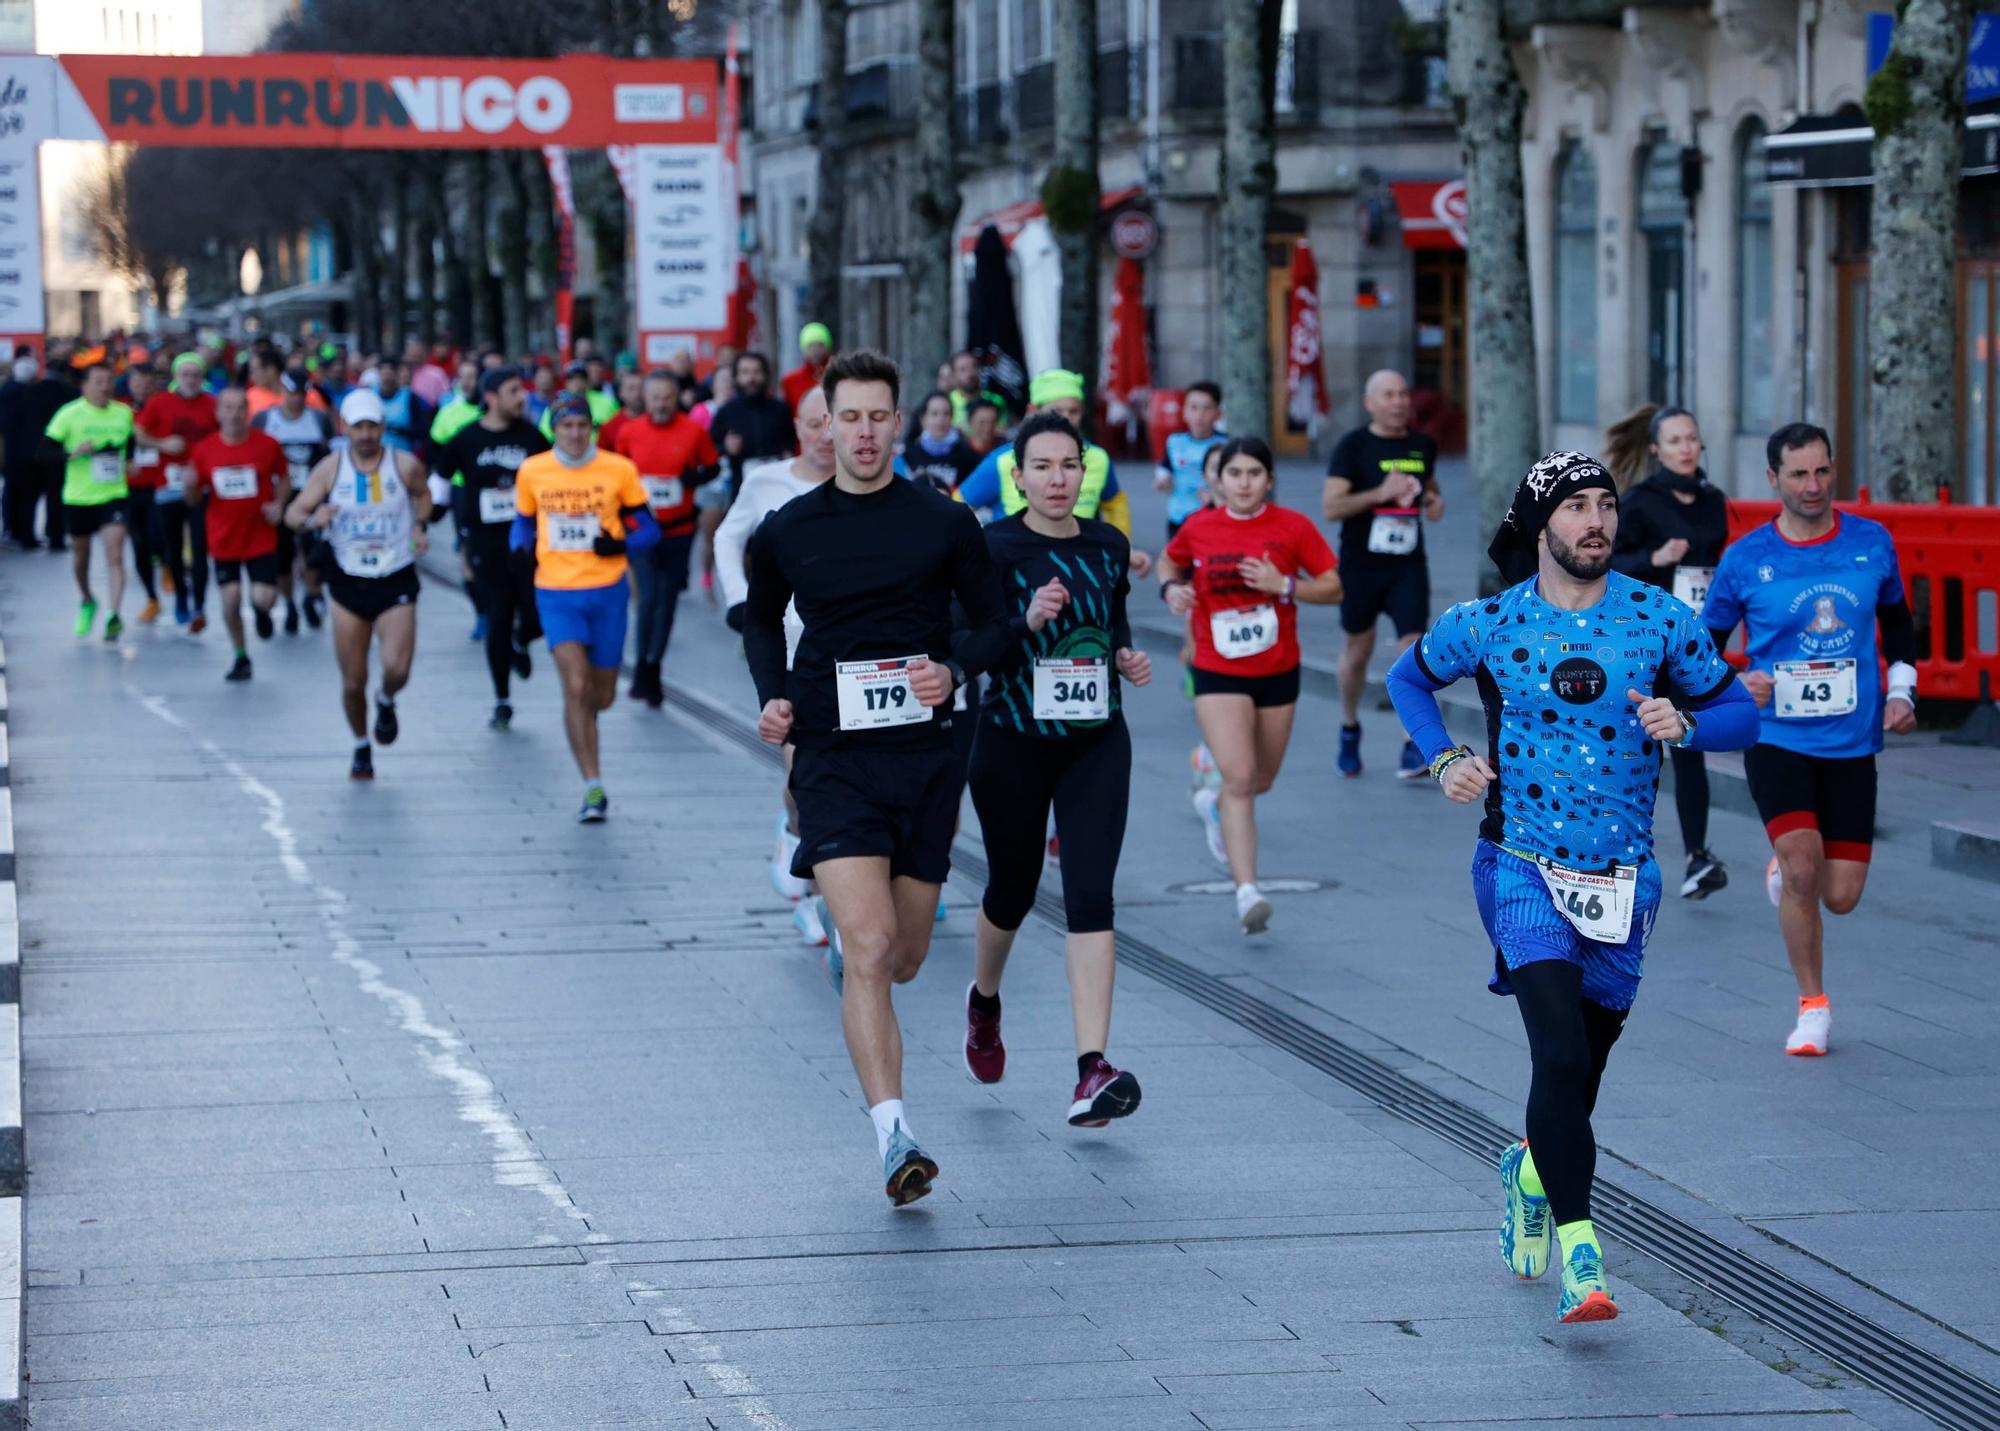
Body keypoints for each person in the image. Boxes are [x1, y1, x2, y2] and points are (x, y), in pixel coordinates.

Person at [1385, 450, 1757, 1324]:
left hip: (1626, 878)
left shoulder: (1659, 620)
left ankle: (1530, 1165)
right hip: (1519, 864)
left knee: (1577, 1073)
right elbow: (1409, 676)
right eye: (1577, 507)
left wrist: (1690, 721)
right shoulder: (1489, 622)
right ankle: (1583, 1256)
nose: (1596, 521)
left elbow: (1740, 708)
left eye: (1605, 505)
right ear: (1539, 525)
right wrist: (1443, 755)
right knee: (1555, 1053)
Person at [743, 349, 1007, 1205]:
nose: (860, 432)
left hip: (928, 758)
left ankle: (867, 976)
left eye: (875, 416)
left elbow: (997, 623)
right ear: (824, 424)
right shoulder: (788, 528)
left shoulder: (943, 521)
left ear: (898, 422)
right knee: (866, 945)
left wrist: (954, 667)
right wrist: (774, 697)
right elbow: (757, 622)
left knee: (905, 956)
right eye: (844, 417)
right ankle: (894, 1135)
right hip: (833, 757)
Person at [960, 410, 1153, 1126]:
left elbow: (1114, 617)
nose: (1056, 478)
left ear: (1085, 472)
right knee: (1010, 889)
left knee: (1090, 895)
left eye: (1068, 465)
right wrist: (1024, 622)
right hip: (1011, 740)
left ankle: (1091, 1068)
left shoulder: (1107, 543)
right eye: (1041, 466)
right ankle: (984, 1001)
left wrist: (1125, 655)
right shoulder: (991, 546)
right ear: (1017, 477)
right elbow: (968, 646)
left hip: (1095, 738)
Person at [1703, 424, 1918, 1057]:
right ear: (1773, 479)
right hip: (1776, 739)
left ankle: (1790, 868)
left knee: (1841, 896)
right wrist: (1742, 684)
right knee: (1803, 870)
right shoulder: (1745, 559)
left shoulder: (1871, 543)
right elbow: (1700, 653)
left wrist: (1902, 691)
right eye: (1799, 474)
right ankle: (1813, 1008)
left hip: (1853, 742)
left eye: (1822, 471)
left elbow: (1900, 627)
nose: (1813, 486)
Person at [1158, 437, 1341, 933]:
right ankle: (1247, 892)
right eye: (1234, 473)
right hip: (1218, 669)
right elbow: (1169, 562)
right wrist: (1171, 589)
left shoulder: (1292, 527)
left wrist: (1282, 585)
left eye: (1253, 473)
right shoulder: (1199, 527)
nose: (1243, 483)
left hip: (1278, 669)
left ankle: (1210, 790)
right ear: (1219, 480)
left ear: (1269, 479)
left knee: (1261, 780)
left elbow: (1332, 584)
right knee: (1240, 779)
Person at [718, 387, 839, 947]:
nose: (824, 435)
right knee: (805, 770)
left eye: (832, 423)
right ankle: (811, 885)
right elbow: (726, 535)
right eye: (814, 424)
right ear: (798, 425)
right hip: (784, 646)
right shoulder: (767, 481)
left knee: (829, 775)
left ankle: (814, 863)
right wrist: (739, 600)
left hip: (845, 651)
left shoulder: (867, 484)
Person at [512, 393, 660, 820]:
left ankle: (583, 725)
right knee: (575, 686)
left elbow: (649, 531)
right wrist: (520, 548)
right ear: (553, 430)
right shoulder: (533, 471)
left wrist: (619, 544)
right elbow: (523, 522)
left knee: (602, 696)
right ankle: (593, 786)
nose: (576, 434)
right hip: (556, 593)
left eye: (583, 426)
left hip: (608, 591)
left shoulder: (618, 470)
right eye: (566, 427)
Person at [1606, 404, 1733, 899]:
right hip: (1640, 642)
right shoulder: (1638, 502)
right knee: (1634, 750)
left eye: (1692, 439)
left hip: (1692, 643)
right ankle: (1612, 851)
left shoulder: (1713, 501)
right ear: (1656, 449)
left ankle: (1696, 857)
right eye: (1675, 440)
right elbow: (1606, 565)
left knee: (1688, 744)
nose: (1686, 448)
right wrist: (1653, 559)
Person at [284, 389, 432, 781]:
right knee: (353, 681)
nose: (365, 435)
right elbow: (291, 514)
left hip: (395, 574)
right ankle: (361, 745)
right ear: (344, 428)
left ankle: (386, 699)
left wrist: (419, 525)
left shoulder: (404, 465)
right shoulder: (331, 469)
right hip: (348, 581)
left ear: (383, 428)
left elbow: (424, 495)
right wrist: (314, 516)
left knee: (397, 667)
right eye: (358, 427)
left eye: (372, 427)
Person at [1321, 369, 1444, 779]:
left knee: (1414, 648)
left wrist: (1431, 502)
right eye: (1388, 395)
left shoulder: (1422, 445)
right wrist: (1380, 493)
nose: (1398, 401)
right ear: (1370, 402)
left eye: (1403, 394)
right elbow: (1331, 507)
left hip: (1407, 563)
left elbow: (1430, 488)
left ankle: (1414, 744)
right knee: (1357, 653)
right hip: (1361, 564)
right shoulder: (1353, 446)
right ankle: (1349, 726)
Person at [440, 368, 550, 730]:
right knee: (498, 618)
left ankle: (523, 640)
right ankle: (502, 699)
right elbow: (440, 478)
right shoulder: (466, 439)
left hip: (530, 546)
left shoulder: (532, 437)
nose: (522, 397)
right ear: (491, 397)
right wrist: (426, 516)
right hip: (486, 546)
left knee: (536, 618)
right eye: (513, 390)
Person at [957, 370, 1148, 574]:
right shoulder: (1002, 461)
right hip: (1017, 570)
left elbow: (1115, 503)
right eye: (1057, 411)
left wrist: (1121, 546)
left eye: (1073, 411)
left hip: (1083, 568)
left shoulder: (1098, 458)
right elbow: (957, 506)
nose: (1067, 419)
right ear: (1033, 410)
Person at [614, 369, 720, 706]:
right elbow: (619, 475)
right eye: (655, 396)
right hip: (642, 532)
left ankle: (654, 667)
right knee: (647, 601)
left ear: (678, 399)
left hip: (679, 530)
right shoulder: (629, 432)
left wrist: (694, 477)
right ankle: (642, 664)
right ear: (645, 399)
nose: (661, 403)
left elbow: (713, 466)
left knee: (667, 602)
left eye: (667, 397)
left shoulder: (693, 430)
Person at [187, 388, 291, 681]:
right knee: (230, 600)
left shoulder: (267, 445)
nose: (234, 414)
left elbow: (283, 478)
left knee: (264, 598)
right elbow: (194, 500)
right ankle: (241, 656)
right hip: (224, 536)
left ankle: (262, 613)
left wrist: (279, 504)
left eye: (239, 408)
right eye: (228, 408)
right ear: (218, 413)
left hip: (260, 534)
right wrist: (190, 486)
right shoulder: (205, 450)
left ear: (248, 413)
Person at [44, 363, 135, 640]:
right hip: (79, 496)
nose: (105, 386)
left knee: (115, 553)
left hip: (114, 494)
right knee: (81, 557)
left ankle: (114, 614)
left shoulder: (123, 413)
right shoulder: (69, 414)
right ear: (85, 386)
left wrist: (130, 462)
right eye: (98, 381)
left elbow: (129, 444)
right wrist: (72, 452)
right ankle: (87, 599)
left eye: (108, 381)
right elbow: (44, 452)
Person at [135, 352, 220, 629]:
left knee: (199, 547)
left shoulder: (212, 403)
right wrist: (163, 445)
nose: (190, 380)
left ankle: (199, 605)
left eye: (195, 375)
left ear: (202, 378)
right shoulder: (160, 402)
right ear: (175, 377)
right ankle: (180, 597)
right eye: (185, 374)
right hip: (168, 485)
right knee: (171, 546)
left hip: (202, 486)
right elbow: (138, 433)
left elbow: (224, 437)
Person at [256, 371, 337, 634]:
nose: (296, 401)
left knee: (312, 552)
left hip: (311, 496)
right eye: (292, 394)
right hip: (280, 498)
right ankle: (289, 602)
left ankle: (311, 594)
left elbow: (330, 456)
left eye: (301, 395)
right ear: (282, 391)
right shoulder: (266, 419)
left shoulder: (318, 419)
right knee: (283, 557)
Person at [119, 361, 170, 624]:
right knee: (139, 545)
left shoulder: (165, 410)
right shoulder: (122, 412)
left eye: (147, 385)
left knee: (157, 538)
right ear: (130, 385)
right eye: (137, 384)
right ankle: (152, 599)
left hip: (159, 485)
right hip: (129, 488)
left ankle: (166, 564)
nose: (142, 389)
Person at [1153, 380, 1226, 539]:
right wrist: (1162, 480)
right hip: (1178, 516)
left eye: (1207, 408)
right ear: (1184, 411)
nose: (1199, 415)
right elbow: (1165, 467)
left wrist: (1217, 497)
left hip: (1212, 516)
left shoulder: (1225, 445)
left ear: (1218, 413)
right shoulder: (1174, 442)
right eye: (1193, 407)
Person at [709, 352, 795, 472]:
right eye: (745, 372)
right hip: (740, 483)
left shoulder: (781, 409)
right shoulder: (726, 412)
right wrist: (726, 447)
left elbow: (793, 440)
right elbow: (710, 448)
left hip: (778, 478)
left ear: (765, 375)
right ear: (736, 377)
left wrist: (788, 452)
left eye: (757, 372)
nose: (751, 378)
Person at [902, 391, 981, 494]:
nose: (940, 419)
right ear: (922, 419)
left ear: (952, 418)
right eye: (934, 414)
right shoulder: (908, 453)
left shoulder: (967, 455)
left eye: (946, 414)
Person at [537, 361, 619, 439]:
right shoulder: (555, 405)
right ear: (566, 382)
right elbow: (545, 437)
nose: (577, 382)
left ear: (587, 381)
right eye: (572, 378)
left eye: (581, 378)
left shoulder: (607, 402)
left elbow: (618, 429)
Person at [376, 358, 435, 461]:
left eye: (390, 374)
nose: (387, 379)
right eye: (383, 374)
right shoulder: (371, 396)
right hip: (376, 460)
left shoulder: (410, 397)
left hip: (404, 460)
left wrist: (399, 430)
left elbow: (423, 430)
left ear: (397, 375)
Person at [428, 359, 484, 449]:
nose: (465, 383)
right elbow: (435, 448)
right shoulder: (447, 412)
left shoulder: (492, 411)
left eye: (470, 377)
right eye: (461, 377)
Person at [948, 349, 1006, 432]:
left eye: (974, 366)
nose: (970, 373)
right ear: (953, 375)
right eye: (963, 369)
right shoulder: (947, 403)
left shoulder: (996, 400)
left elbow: (1001, 431)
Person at [781, 322, 833, 414]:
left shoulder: (837, 376)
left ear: (828, 347)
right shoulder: (790, 381)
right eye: (810, 346)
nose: (815, 350)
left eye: (820, 345)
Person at [596, 370, 646, 453]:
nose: (638, 393)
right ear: (621, 393)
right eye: (631, 388)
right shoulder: (609, 428)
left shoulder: (658, 422)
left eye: (641, 388)